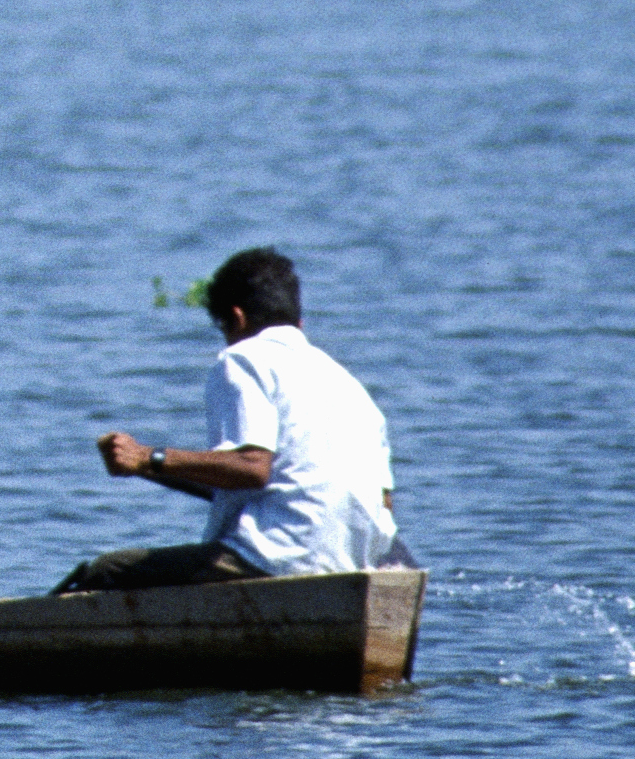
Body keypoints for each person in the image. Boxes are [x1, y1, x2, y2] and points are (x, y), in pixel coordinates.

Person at [61, 245, 404, 592]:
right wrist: (148, 467)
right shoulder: (349, 385)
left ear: (237, 318)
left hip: (281, 560)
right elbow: (379, 502)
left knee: (106, 572)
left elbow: (252, 468)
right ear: (298, 323)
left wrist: (151, 456)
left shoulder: (243, 358)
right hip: (354, 567)